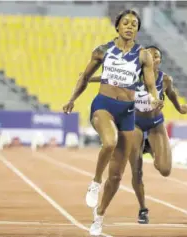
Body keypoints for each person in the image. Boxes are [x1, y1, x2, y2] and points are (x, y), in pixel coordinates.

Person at [62, 10, 162, 236]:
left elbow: (149, 85)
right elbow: (85, 77)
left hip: (127, 112)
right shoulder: (102, 51)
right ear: (117, 27)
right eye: (125, 23)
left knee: (117, 176)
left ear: (137, 29)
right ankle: (95, 182)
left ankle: (99, 215)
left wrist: (155, 98)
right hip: (103, 106)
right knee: (109, 142)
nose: (129, 27)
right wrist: (71, 100)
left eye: (134, 24)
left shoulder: (143, 55)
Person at [86, 45, 187, 224]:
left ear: (159, 60)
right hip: (135, 124)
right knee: (136, 171)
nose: (153, 58)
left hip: (155, 124)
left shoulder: (165, 80)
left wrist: (179, 107)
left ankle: (149, 147)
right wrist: (88, 78)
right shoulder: (131, 76)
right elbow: (108, 78)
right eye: (150, 55)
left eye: (157, 56)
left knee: (164, 169)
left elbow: (170, 94)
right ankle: (142, 208)